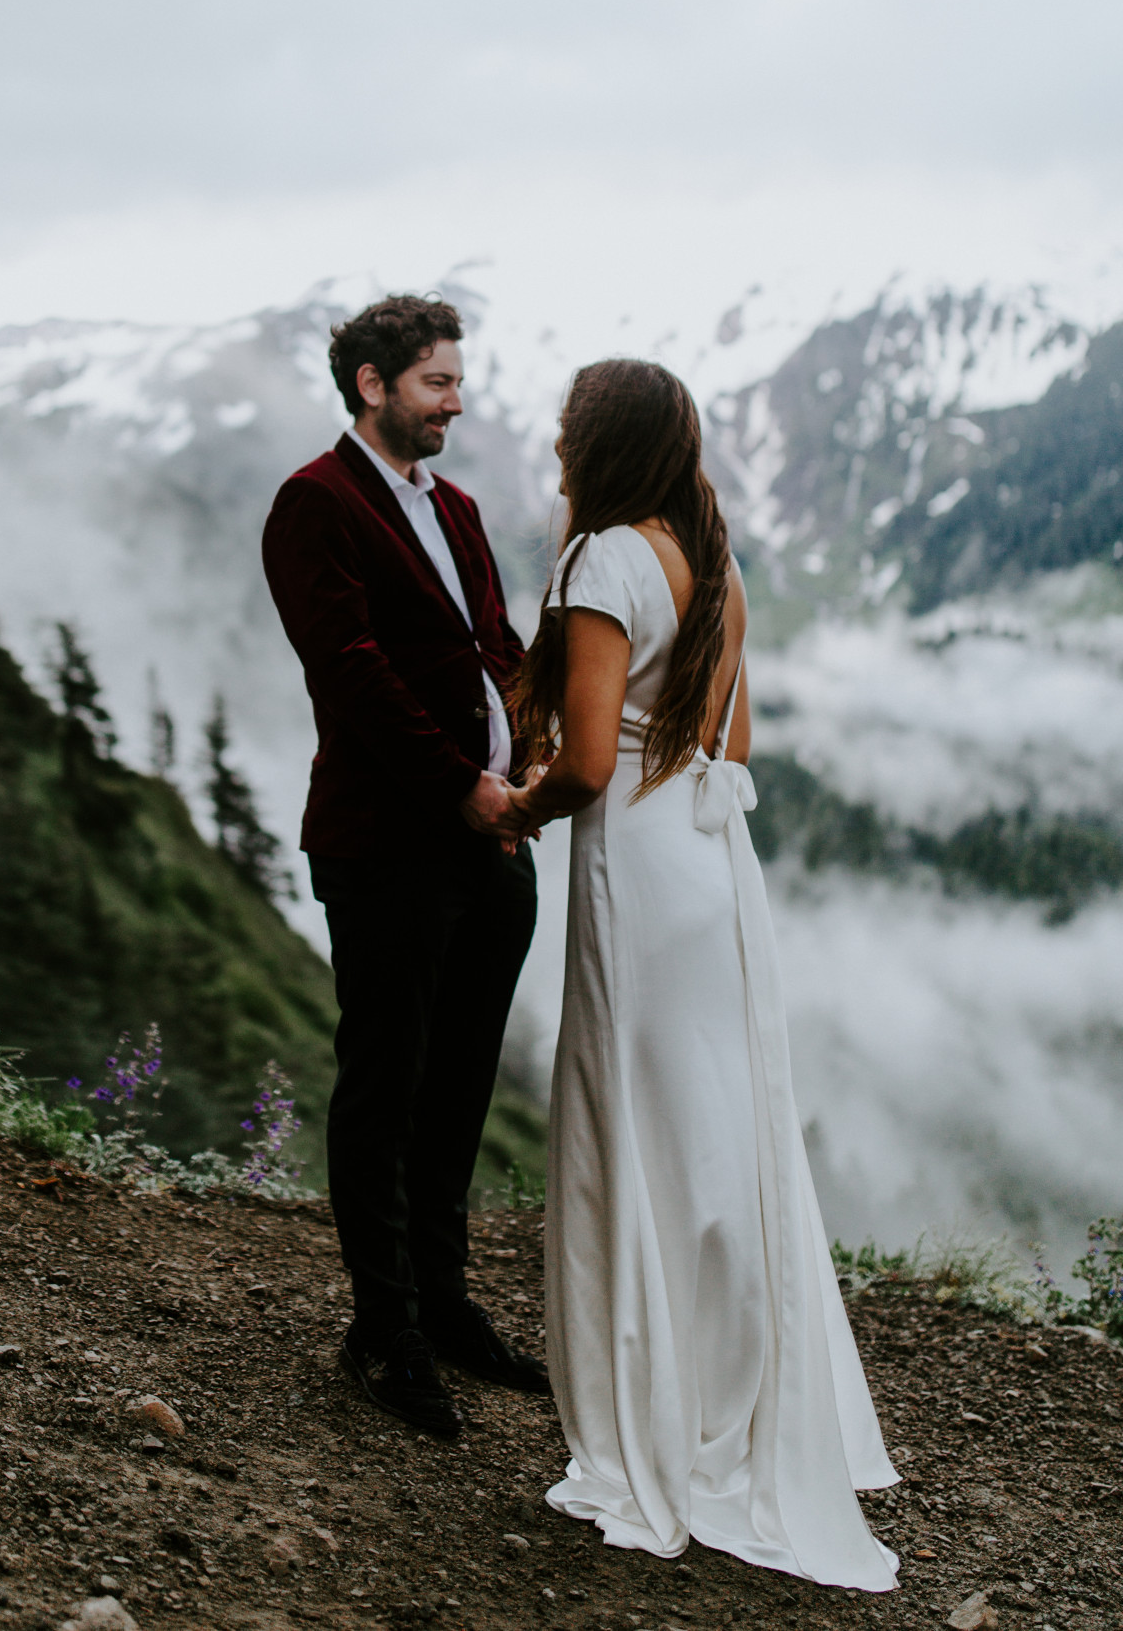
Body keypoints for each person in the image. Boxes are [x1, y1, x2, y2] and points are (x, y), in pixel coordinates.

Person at [504, 358, 899, 1591]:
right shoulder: (713, 563)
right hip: (711, 856)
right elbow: (733, 741)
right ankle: (731, 1398)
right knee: (718, 1133)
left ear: (595, 443)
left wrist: (507, 812)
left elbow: (578, 755)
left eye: (568, 427)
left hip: (630, 849)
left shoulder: (602, 561)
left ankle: (650, 1416)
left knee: (632, 1123)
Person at [261, 294, 546, 1441]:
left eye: (456, 380)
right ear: (372, 384)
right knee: (383, 1087)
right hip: (387, 843)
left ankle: (442, 1304)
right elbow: (349, 672)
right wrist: (461, 786)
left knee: (460, 1085)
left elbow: (493, 644)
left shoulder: (459, 506)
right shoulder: (311, 504)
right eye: (435, 382)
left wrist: (530, 764)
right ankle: (382, 1333)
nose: (456, 402)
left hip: (492, 842)